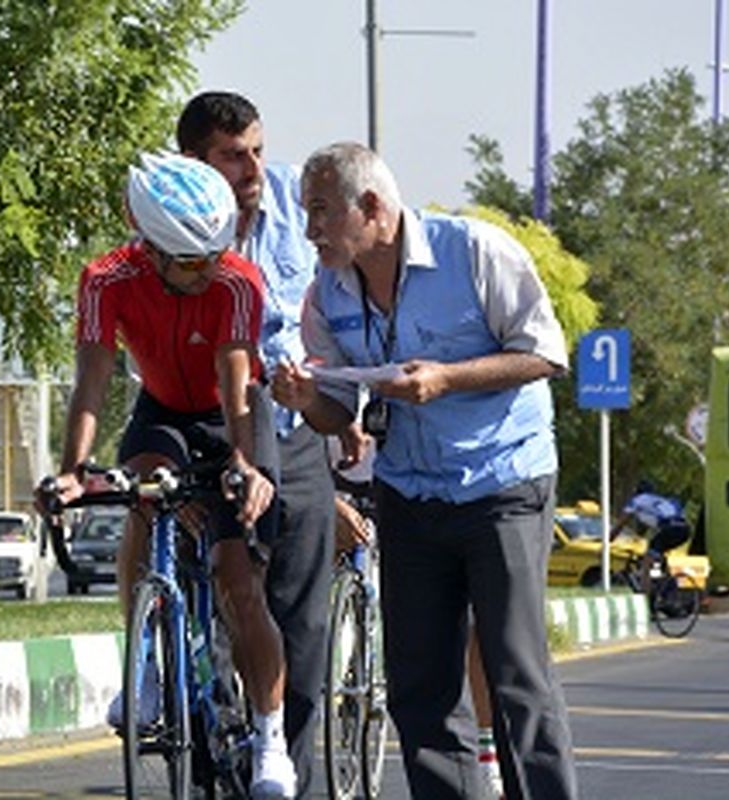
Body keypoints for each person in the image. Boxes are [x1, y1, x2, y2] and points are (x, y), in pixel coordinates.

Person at [273, 142, 578, 799]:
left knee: (515, 675)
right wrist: (306, 401)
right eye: (306, 212)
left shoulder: (475, 251)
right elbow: (338, 411)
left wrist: (448, 378)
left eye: (322, 212)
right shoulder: (324, 292)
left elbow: (546, 355)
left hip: (503, 485)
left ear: (373, 208)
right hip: (407, 493)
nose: (310, 230)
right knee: (419, 688)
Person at [39, 151, 296, 797]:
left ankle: (270, 740)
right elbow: (93, 383)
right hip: (161, 411)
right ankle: (146, 665)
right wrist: (72, 471)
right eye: (188, 260)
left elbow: (236, 382)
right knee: (142, 496)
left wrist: (244, 462)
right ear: (145, 243)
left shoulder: (237, 281)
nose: (205, 269)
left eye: (215, 253)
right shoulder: (104, 280)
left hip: (228, 415)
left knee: (240, 583)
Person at [176, 91, 335, 798]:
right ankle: (208, 759)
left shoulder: (301, 209)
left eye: (256, 152)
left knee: (301, 614)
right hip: (205, 425)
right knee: (214, 591)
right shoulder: (171, 215)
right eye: (231, 156)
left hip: (293, 426)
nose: (249, 169)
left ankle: (285, 768)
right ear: (195, 161)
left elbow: (339, 306)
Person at [610, 480, 691, 594]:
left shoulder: (636, 500)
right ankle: (667, 586)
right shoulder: (659, 500)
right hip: (684, 529)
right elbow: (649, 524)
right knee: (658, 553)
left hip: (670, 529)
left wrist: (609, 539)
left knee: (647, 561)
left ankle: (646, 595)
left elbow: (621, 523)